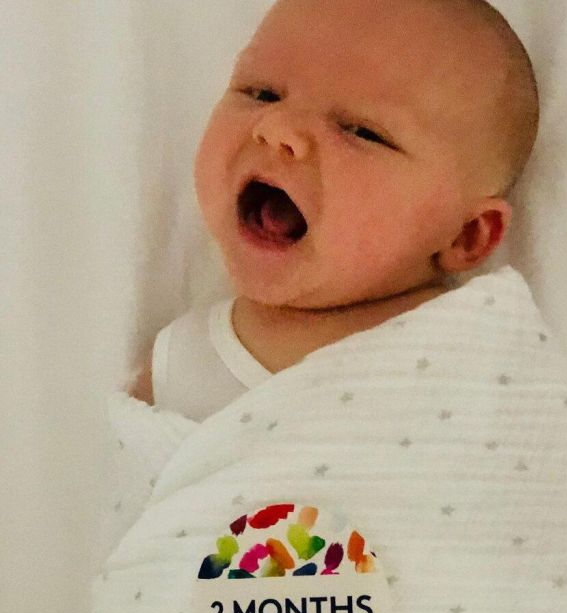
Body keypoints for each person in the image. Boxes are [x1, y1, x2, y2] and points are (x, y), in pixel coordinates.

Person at [129, 0, 539, 421]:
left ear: (465, 235)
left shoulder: (487, 357)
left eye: (361, 131)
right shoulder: (181, 362)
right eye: (261, 94)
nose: (278, 129)